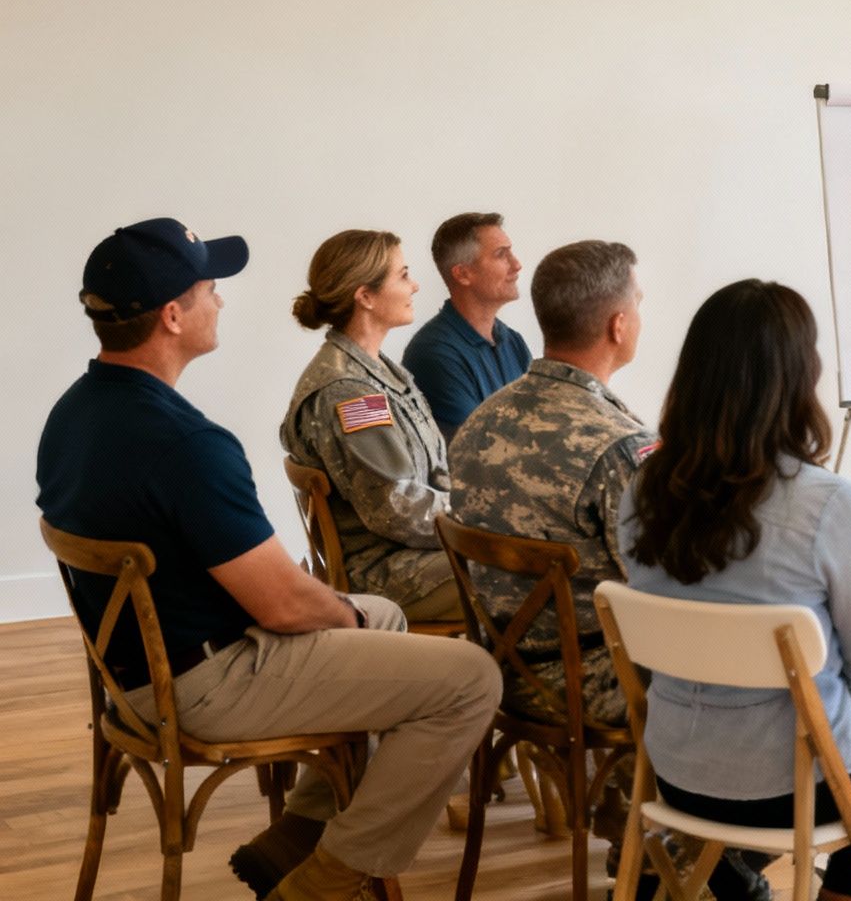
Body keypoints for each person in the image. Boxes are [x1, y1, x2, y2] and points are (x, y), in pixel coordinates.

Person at [38, 218, 497, 901]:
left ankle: (298, 831)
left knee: (382, 617)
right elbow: (282, 605)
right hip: (207, 680)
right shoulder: (186, 443)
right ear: (172, 315)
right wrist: (341, 613)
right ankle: (324, 883)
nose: (220, 299)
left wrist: (350, 613)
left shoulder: (74, 414)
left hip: (139, 676)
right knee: (472, 680)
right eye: (209, 287)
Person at [618, 279, 851, 901]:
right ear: (800, 376)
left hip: (677, 774)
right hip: (798, 789)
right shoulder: (829, 504)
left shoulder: (642, 490)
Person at [449, 239, 651, 733]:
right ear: (617, 325)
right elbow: (665, 587)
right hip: (592, 682)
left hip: (497, 668)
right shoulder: (618, 449)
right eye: (638, 304)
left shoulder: (481, 422)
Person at [281, 230, 459, 622]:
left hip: (416, 554)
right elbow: (395, 507)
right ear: (365, 297)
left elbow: (433, 474)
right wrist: (479, 521)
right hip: (388, 574)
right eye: (403, 275)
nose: (414, 285)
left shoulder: (380, 372)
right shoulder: (349, 392)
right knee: (532, 569)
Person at [403, 212, 531, 440]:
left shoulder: (513, 342)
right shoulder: (433, 353)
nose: (517, 264)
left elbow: (538, 426)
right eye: (501, 254)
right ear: (463, 274)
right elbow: (479, 450)